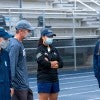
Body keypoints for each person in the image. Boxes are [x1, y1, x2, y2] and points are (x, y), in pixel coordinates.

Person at [7, 20, 34, 100]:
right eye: (28, 30)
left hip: (23, 84)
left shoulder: (19, 43)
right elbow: (11, 66)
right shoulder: (15, 45)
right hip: (18, 87)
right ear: (20, 31)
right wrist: (11, 85)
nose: (29, 32)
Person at [36, 28, 63, 100]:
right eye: (49, 36)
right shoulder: (39, 49)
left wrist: (50, 62)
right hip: (44, 79)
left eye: (52, 36)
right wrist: (54, 62)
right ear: (43, 37)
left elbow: (61, 63)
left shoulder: (54, 49)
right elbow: (43, 62)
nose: (50, 38)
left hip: (54, 79)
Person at [0, 28, 12, 100]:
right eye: (5, 38)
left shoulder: (5, 53)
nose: (7, 40)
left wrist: (11, 86)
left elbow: (9, 71)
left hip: (6, 91)